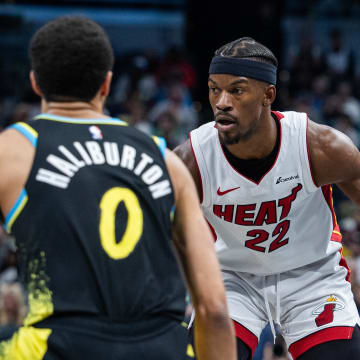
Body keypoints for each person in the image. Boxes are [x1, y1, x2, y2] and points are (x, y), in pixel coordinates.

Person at [0, 16, 236, 360]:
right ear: (107, 84)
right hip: (161, 347)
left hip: (61, 344)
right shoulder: (164, 159)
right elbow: (213, 307)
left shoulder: (14, 150)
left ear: (36, 83)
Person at [174, 36, 360, 359]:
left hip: (312, 275)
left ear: (268, 95)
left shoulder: (319, 147)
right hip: (232, 279)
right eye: (214, 88)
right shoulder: (192, 161)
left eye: (237, 90)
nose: (221, 102)